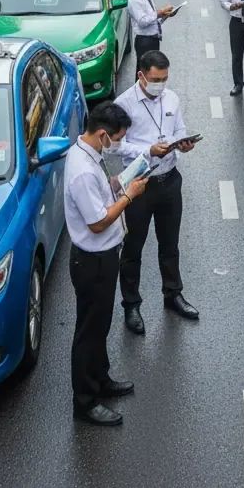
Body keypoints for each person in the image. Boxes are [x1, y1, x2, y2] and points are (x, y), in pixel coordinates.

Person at [65, 102, 148, 427]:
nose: (117, 144)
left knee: (101, 325)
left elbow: (100, 196)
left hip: (102, 258)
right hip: (92, 261)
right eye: (117, 138)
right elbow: (98, 221)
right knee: (89, 331)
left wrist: (116, 184)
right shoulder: (83, 171)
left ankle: (101, 379)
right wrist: (129, 195)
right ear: (102, 134)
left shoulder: (90, 156)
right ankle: (85, 402)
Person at [111, 50, 200, 334]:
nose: (160, 84)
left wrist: (183, 144)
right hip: (139, 186)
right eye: (155, 79)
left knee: (170, 244)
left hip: (170, 180)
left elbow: (179, 129)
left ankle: (173, 294)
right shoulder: (123, 104)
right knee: (133, 248)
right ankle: (131, 305)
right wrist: (147, 149)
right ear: (141, 75)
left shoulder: (172, 98)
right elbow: (113, 146)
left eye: (164, 79)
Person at [127, 0, 174, 78]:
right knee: (143, 74)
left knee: (152, 73)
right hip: (144, 41)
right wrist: (160, 11)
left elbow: (153, 20)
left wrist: (165, 16)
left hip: (153, 39)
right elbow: (143, 21)